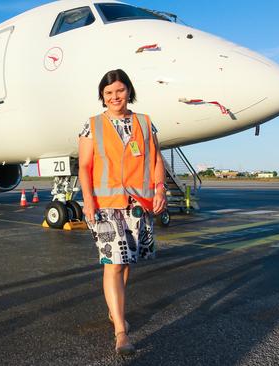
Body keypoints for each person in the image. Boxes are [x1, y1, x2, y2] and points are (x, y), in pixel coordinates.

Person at [78, 69, 167, 355]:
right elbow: (84, 167)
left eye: (119, 90)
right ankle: (120, 331)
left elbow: (155, 159)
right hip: (106, 204)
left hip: (139, 202)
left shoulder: (144, 123)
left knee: (127, 261)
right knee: (113, 263)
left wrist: (161, 188)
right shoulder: (92, 126)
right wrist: (88, 200)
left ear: (128, 90)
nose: (114, 97)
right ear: (102, 97)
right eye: (108, 93)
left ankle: (115, 310)